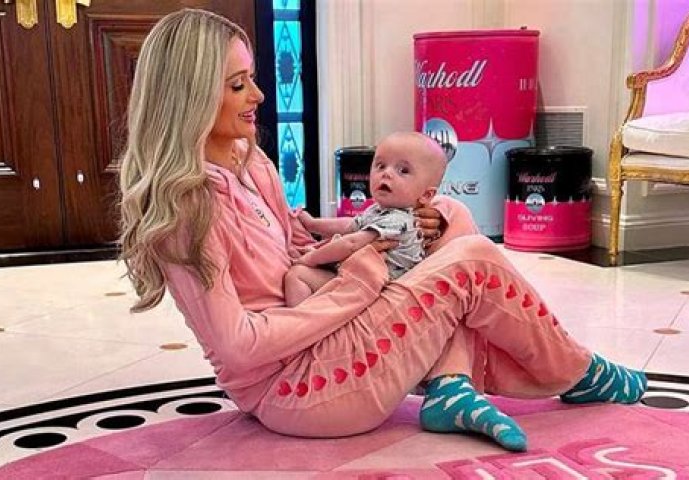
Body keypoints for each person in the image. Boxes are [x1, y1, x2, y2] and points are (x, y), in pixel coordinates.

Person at [119, 8, 647, 454]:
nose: (258, 94)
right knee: (473, 262)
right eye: (238, 85)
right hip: (294, 386)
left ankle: (451, 384)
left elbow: (293, 255)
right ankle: (577, 372)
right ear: (190, 98)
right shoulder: (185, 207)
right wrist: (359, 285)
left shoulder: (250, 161)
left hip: (323, 330)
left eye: (252, 77)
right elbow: (239, 347)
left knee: (449, 218)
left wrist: (382, 237)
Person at [284, 131, 447, 307]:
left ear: (426, 195)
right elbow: (350, 225)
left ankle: (303, 320)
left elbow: (351, 243)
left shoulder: (399, 221)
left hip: (378, 293)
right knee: (308, 265)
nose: (386, 173)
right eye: (380, 165)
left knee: (297, 275)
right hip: (363, 282)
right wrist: (313, 224)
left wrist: (311, 258)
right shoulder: (380, 210)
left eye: (403, 171)